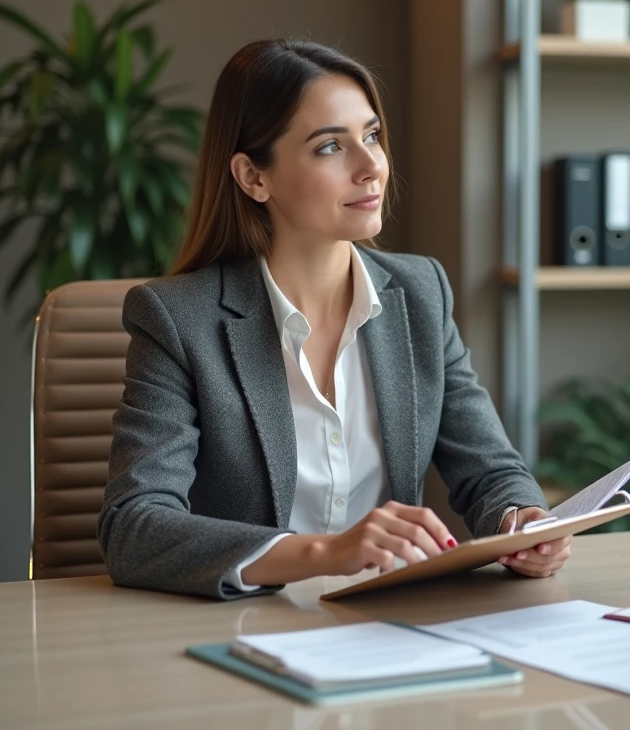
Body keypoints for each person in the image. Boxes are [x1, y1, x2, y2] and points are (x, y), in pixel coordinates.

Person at [99, 39, 569, 599]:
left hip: (387, 623)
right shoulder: (177, 319)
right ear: (253, 177)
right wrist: (326, 552)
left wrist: (522, 522)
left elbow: (490, 470)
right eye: (330, 148)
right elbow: (134, 526)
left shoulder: (421, 293)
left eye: (371, 136)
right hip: (244, 631)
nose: (372, 167)